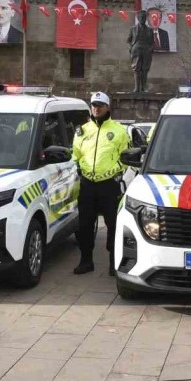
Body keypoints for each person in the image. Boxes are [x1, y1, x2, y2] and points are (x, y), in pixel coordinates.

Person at [72, 92, 130, 275]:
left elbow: (126, 157)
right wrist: (79, 169)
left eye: (100, 105)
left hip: (109, 185)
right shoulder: (83, 130)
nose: (96, 108)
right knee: (84, 225)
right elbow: (76, 155)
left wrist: (116, 171)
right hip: (88, 184)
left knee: (113, 225)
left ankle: (114, 262)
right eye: (93, 105)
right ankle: (86, 261)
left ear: (108, 107)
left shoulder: (119, 131)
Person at [127, 10, 155, 92]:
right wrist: (130, 48)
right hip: (136, 49)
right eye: (140, 17)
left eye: (144, 17)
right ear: (138, 18)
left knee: (145, 69)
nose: (142, 19)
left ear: (146, 18)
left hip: (146, 50)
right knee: (136, 68)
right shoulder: (133, 29)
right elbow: (128, 40)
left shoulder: (150, 30)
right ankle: (136, 88)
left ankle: (143, 88)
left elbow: (152, 42)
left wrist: (150, 49)